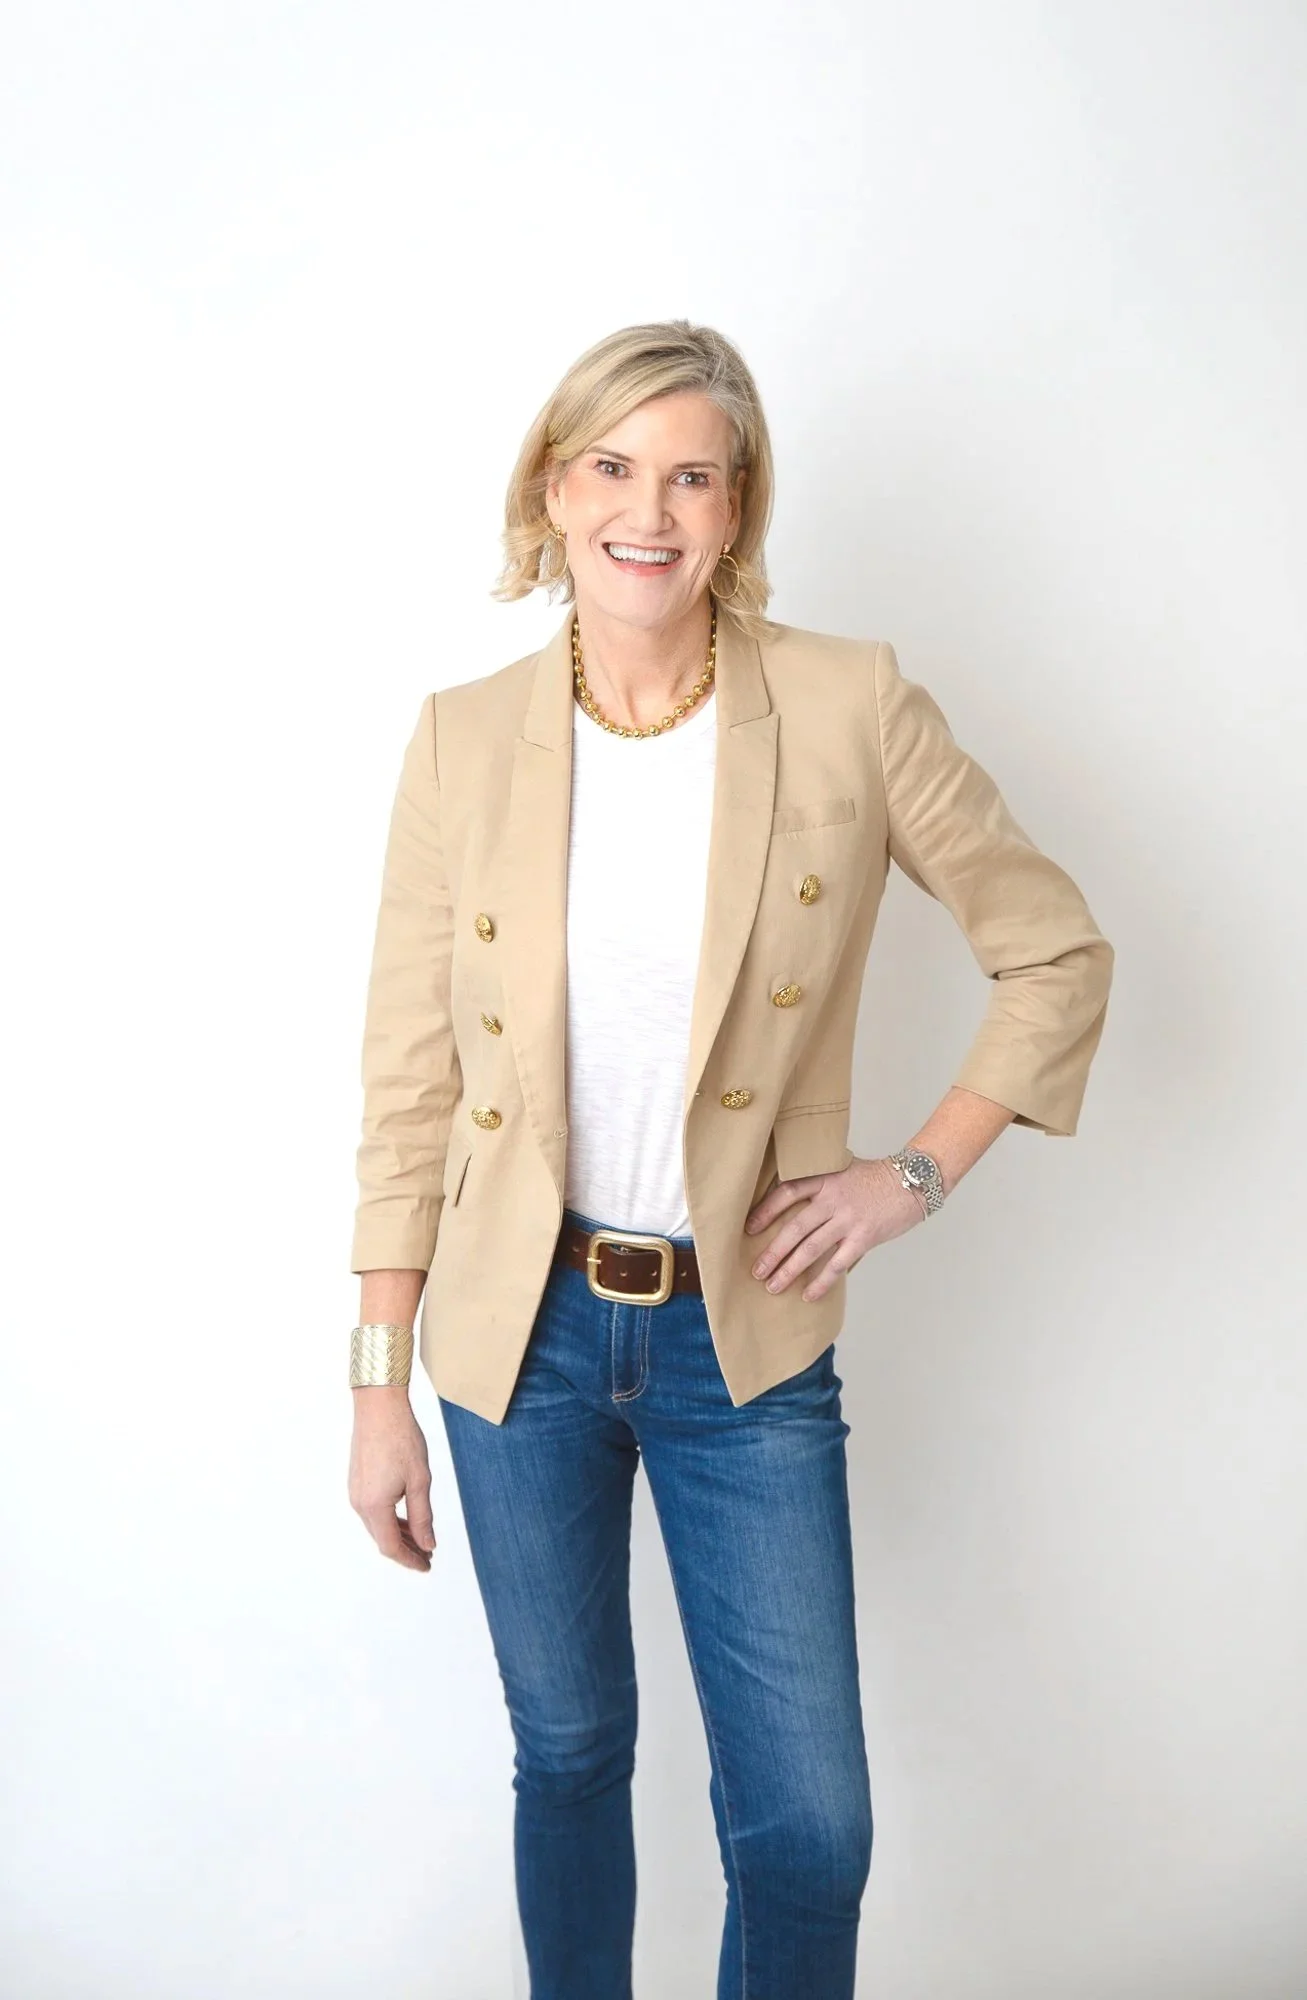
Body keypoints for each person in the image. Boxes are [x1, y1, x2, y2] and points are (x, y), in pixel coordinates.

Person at [345, 319, 1114, 2000]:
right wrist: (376, 1383)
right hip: (511, 1342)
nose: (650, 509)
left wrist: (907, 1174)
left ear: (737, 504)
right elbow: (407, 1081)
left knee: (805, 1829)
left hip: (740, 1333)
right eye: (614, 466)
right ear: (553, 489)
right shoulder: (463, 738)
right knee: (566, 1757)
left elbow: (1053, 948)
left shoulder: (843, 702)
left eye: (693, 473)